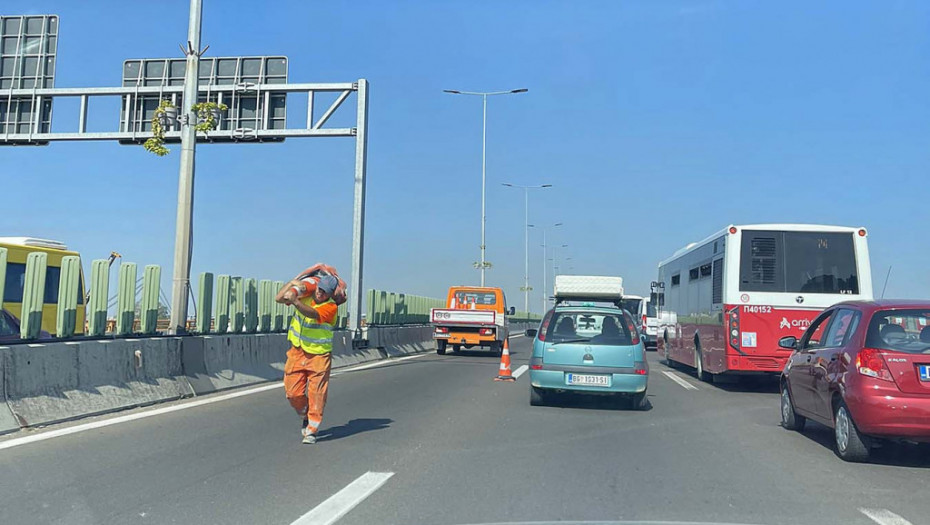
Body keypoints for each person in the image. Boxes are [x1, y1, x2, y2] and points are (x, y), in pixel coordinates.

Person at [275, 272, 341, 444]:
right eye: (319, 289)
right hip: (297, 351)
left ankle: (312, 429)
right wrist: (291, 284)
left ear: (331, 294)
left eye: (325, 292)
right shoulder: (307, 295)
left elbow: (312, 313)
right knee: (292, 393)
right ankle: (306, 412)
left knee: (317, 393)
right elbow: (279, 298)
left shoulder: (331, 307)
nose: (320, 293)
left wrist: (296, 301)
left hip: (319, 355)